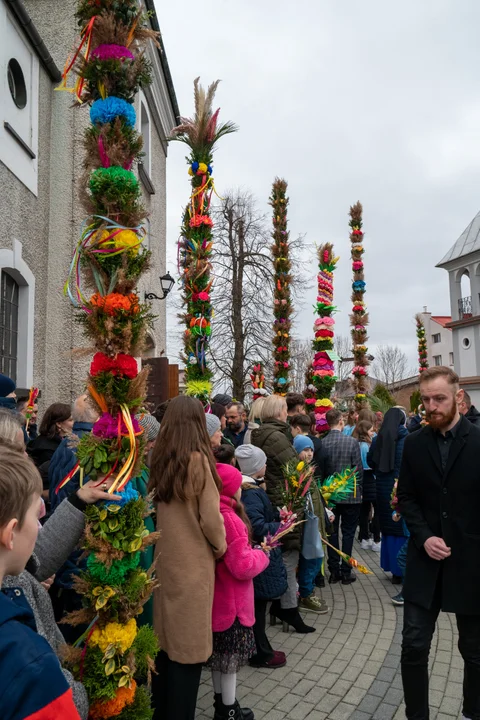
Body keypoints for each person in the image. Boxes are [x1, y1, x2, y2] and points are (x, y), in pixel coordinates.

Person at [397, 366, 480, 720]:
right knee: (413, 647)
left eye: (439, 398)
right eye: (426, 399)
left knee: (475, 651)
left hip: (471, 562)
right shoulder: (414, 443)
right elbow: (407, 498)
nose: (431, 406)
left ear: (458, 398)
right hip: (424, 563)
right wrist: (424, 535)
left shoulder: (478, 442)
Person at [148, 395, 227, 720]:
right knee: (188, 653)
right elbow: (211, 520)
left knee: (165, 650)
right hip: (193, 567)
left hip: (164, 563)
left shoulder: (158, 459)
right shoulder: (198, 462)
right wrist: (221, 547)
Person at [0, 444, 83, 720]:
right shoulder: (27, 660)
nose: (40, 526)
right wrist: (78, 692)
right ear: (11, 533)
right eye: (36, 518)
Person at [209, 463, 270, 719]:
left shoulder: (212, 511)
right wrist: (261, 555)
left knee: (218, 658)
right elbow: (242, 566)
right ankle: (229, 709)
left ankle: (220, 704)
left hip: (216, 598)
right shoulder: (231, 518)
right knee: (230, 661)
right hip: (232, 601)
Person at [251, 395, 314, 633]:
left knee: (282, 555)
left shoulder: (262, 433)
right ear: (280, 412)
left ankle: (281, 604)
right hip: (284, 501)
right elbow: (294, 469)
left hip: (274, 499)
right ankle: (288, 608)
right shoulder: (277, 436)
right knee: (289, 555)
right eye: (286, 410)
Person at [236, 445, 287, 669]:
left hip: (257, 552)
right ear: (257, 467)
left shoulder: (249, 488)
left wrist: (277, 514)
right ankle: (259, 652)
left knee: (257, 606)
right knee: (257, 607)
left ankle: (260, 648)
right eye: (263, 462)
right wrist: (282, 525)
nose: (266, 465)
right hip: (259, 552)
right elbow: (256, 526)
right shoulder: (252, 492)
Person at [321, 409, 363, 585]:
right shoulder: (352, 442)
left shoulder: (323, 443)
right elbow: (357, 470)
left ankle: (334, 571)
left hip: (330, 495)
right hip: (350, 495)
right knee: (348, 533)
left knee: (332, 533)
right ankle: (346, 570)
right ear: (340, 421)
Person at [368, 407, 408, 585]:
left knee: (387, 526)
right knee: (400, 527)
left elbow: (370, 460)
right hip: (401, 488)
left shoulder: (378, 439)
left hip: (382, 488)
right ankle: (402, 568)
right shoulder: (408, 439)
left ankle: (392, 568)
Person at [293, 435, 329, 614]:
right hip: (309, 526)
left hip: (316, 523)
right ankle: (305, 594)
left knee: (317, 559)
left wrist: (325, 512)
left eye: (310, 450)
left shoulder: (309, 470)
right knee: (311, 560)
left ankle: (307, 591)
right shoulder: (298, 472)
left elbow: (316, 499)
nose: (308, 453)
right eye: (304, 450)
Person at [353, 420, 381, 552]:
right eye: (371, 430)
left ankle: (365, 537)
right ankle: (376, 538)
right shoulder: (365, 446)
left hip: (361, 479)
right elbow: (369, 464)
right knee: (377, 510)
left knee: (364, 511)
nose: (373, 432)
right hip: (370, 478)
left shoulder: (357, 443)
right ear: (365, 431)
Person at [27, 403, 73, 470]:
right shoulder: (46, 450)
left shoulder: (63, 441)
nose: (75, 423)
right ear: (59, 424)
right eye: (71, 420)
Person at [290, 413, 327, 480]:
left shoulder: (293, 445)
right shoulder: (321, 445)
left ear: (298, 429)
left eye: (292, 429)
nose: (291, 432)